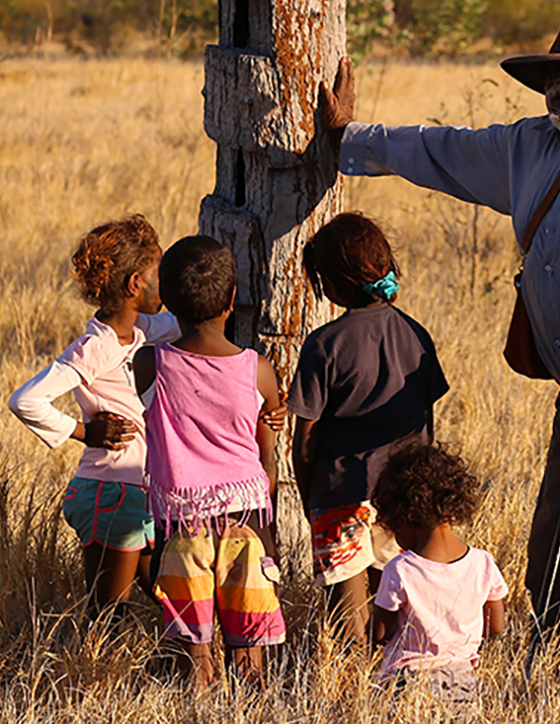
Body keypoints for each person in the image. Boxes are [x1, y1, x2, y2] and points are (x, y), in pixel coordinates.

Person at [319, 10, 560, 665]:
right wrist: (346, 135)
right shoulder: (524, 148)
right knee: (558, 560)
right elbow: (436, 149)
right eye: (557, 72)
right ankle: (556, 682)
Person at [287, 212, 450, 649]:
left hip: (340, 497)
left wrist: (311, 500)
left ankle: (347, 698)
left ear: (330, 286)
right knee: (397, 612)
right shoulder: (416, 335)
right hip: (403, 496)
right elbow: (426, 426)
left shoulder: (324, 345)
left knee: (347, 624)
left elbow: (304, 441)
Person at [7, 214, 180, 618]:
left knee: (170, 602)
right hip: (110, 489)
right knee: (107, 612)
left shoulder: (139, 330)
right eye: (160, 271)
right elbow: (26, 400)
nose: (165, 281)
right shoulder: (93, 348)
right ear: (136, 284)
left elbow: (179, 324)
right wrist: (85, 432)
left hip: (138, 491)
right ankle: (92, 678)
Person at [143, 234, 286, 687]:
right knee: (250, 651)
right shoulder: (257, 370)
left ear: (165, 300)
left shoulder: (150, 366)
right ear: (233, 299)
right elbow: (267, 461)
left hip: (181, 525)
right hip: (247, 522)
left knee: (195, 654)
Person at [368, 444, 507, 702]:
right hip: (462, 681)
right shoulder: (483, 564)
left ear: (404, 516)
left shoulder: (400, 570)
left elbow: (379, 634)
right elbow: (496, 627)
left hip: (405, 684)